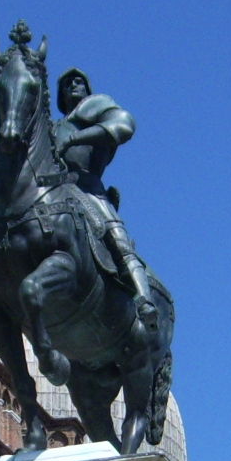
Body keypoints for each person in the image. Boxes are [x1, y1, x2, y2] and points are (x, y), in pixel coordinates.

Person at [53, 69, 157, 323]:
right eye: (67, 83)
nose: (73, 85)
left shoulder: (97, 106)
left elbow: (124, 126)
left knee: (115, 236)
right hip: (52, 190)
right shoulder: (51, 127)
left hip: (86, 187)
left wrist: (74, 139)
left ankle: (144, 299)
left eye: (78, 81)